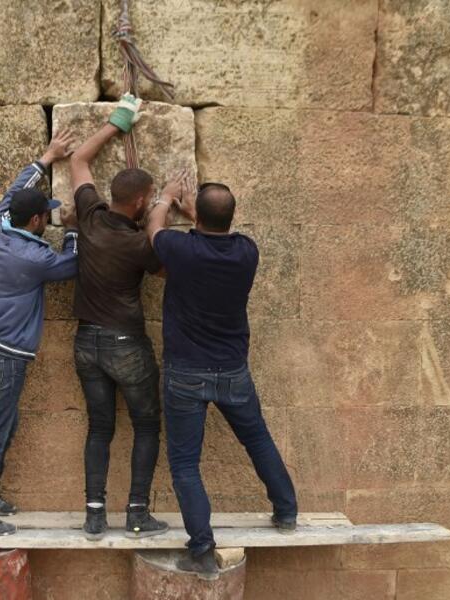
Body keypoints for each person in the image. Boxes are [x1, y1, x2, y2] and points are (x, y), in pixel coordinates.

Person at [146, 172, 298, 579]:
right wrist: (196, 211)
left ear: (197, 217)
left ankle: (201, 549)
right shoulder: (247, 252)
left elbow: (154, 229)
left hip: (186, 373)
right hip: (232, 370)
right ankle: (286, 511)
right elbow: (213, 228)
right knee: (258, 439)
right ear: (232, 216)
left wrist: (166, 197)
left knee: (185, 464)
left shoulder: (180, 248)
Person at [0, 129, 79, 536]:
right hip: (4, 357)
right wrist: (74, 230)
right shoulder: (34, 257)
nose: (48, 219)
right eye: (47, 215)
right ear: (35, 221)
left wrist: (47, 157)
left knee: (4, 427)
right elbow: (72, 264)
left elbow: (16, 189)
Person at [68, 94, 168, 540]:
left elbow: (79, 159)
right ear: (141, 200)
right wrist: (164, 208)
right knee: (146, 425)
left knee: (100, 428)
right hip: (126, 344)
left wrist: (118, 121)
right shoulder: (139, 245)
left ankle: (94, 516)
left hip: (86, 344)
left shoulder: (89, 216)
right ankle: (137, 514)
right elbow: (165, 266)